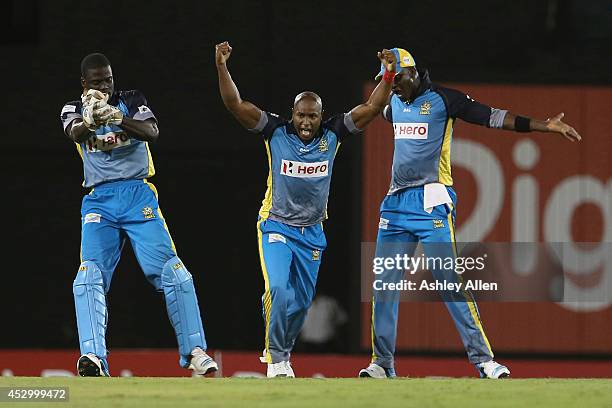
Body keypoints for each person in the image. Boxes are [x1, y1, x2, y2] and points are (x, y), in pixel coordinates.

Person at [359, 48, 582, 379]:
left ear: (414, 73)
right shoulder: (392, 103)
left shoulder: (444, 100)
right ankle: (382, 363)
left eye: (397, 78)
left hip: (431, 200)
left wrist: (542, 126)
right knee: (383, 284)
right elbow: (373, 107)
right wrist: (388, 76)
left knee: (449, 280)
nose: (393, 87)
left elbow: (492, 117)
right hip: (395, 203)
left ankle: (485, 361)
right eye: (388, 81)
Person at [215, 41, 396, 378]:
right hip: (276, 226)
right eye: (301, 114)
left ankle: (283, 353)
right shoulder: (275, 131)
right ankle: (275, 359)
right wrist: (222, 67)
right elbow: (234, 104)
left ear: (321, 115)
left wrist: (388, 73)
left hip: (312, 233)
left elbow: (372, 108)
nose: (306, 122)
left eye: (312, 115)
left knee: (299, 305)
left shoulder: (334, 133)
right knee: (279, 290)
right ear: (292, 113)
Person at [60, 53, 217, 377]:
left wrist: (115, 117)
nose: (105, 85)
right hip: (99, 201)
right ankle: (93, 358)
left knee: (173, 272)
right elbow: (75, 132)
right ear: (84, 83)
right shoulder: (72, 108)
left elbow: (151, 132)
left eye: (109, 78)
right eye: (97, 81)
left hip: (137, 194)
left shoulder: (131, 100)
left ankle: (196, 352)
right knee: (88, 276)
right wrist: (91, 119)